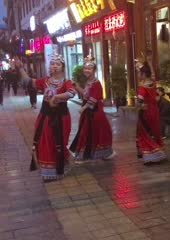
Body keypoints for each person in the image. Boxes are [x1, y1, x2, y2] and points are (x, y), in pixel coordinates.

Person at [14, 53, 76, 181]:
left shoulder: (66, 82)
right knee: (43, 141)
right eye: (52, 63)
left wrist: (57, 97)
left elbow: (71, 93)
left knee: (58, 143)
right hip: (45, 117)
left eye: (57, 64)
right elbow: (28, 81)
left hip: (60, 118)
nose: (54, 66)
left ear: (62, 67)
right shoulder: (45, 81)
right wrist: (20, 68)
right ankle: (49, 169)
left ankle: (61, 164)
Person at [69, 55, 115, 163]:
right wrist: (77, 86)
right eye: (85, 68)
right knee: (87, 132)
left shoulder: (97, 83)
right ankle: (87, 155)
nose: (87, 70)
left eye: (89, 68)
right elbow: (86, 95)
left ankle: (88, 155)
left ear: (94, 70)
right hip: (88, 113)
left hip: (95, 113)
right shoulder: (88, 82)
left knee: (92, 133)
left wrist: (83, 108)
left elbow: (93, 100)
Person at [135, 61, 167, 165]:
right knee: (155, 132)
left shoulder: (143, 87)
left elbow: (139, 101)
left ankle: (150, 155)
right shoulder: (153, 83)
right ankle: (158, 153)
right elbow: (152, 74)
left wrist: (139, 106)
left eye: (139, 73)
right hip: (155, 111)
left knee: (144, 133)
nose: (138, 75)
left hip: (146, 112)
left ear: (143, 74)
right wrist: (149, 62)